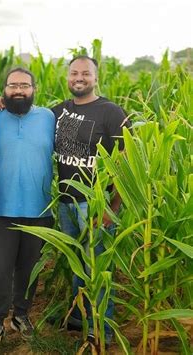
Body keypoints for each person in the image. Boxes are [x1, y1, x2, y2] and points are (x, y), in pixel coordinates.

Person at [52, 55, 129, 344]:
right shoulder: (59, 111)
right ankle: (78, 317)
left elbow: (126, 162)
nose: (79, 78)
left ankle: (103, 329)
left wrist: (112, 207)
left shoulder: (110, 112)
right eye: (74, 73)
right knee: (75, 263)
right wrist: (0, 101)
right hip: (65, 202)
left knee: (98, 267)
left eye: (85, 73)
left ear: (95, 78)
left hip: (95, 205)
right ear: (68, 77)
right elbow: (27, 117)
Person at [0, 68, 55, 353]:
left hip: (40, 210)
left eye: (25, 85)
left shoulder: (48, 117)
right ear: (3, 90)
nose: (19, 91)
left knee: (29, 268)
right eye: (13, 86)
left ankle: (21, 315)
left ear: (35, 89)